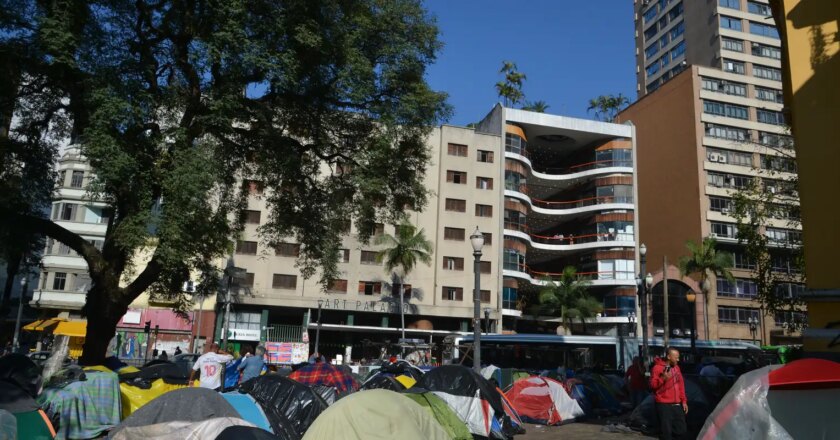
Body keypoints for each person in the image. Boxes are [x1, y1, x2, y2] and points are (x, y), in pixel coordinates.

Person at [650, 347, 688, 440]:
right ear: (668, 356)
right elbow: (652, 386)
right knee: (666, 433)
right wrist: (662, 378)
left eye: (678, 357)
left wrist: (684, 401)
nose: (678, 359)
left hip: (677, 403)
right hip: (663, 404)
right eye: (676, 357)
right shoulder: (657, 368)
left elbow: (681, 385)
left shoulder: (677, 368)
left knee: (681, 430)